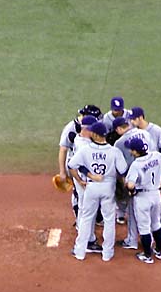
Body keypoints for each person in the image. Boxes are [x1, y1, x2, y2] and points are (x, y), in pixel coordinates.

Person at [68, 122, 128, 262]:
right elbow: (123, 171)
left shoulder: (85, 150)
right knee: (109, 220)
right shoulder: (114, 151)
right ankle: (107, 253)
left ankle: (80, 252)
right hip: (108, 187)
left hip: (92, 187)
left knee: (86, 218)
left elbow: (72, 166)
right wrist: (120, 184)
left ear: (95, 134)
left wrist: (83, 178)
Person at [125, 138, 161, 264]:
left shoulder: (136, 164)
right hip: (156, 195)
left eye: (131, 150)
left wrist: (131, 190)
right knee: (156, 223)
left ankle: (147, 255)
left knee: (144, 227)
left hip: (143, 198)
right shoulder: (157, 155)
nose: (130, 152)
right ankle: (159, 250)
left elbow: (131, 185)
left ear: (136, 151)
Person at [127, 107, 161, 242]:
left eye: (133, 119)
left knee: (160, 204)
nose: (131, 121)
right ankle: (155, 235)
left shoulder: (156, 131)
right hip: (144, 172)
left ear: (141, 117)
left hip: (157, 171)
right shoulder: (133, 132)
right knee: (155, 205)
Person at [113, 117, 154, 250]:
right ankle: (150, 239)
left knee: (133, 210)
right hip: (152, 177)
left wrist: (123, 183)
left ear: (119, 129)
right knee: (150, 212)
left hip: (135, 180)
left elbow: (121, 168)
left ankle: (132, 240)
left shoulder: (119, 143)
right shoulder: (145, 133)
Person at [58, 105, 102, 222]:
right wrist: (62, 172)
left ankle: (93, 217)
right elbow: (63, 149)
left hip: (90, 164)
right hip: (76, 166)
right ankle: (79, 220)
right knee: (79, 194)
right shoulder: (70, 128)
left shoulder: (91, 128)